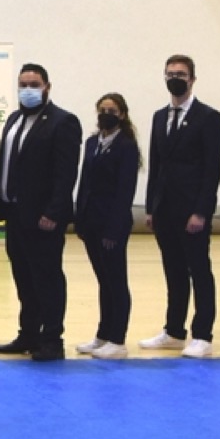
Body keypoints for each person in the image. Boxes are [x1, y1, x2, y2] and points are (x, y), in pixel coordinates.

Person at [0, 64, 81, 362]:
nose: (28, 90)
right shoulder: (14, 119)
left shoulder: (63, 122)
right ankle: (28, 334)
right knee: (23, 277)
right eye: (23, 84)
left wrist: (54, 211)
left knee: (47, 278)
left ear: (47, 87)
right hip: (15, 214)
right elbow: (4, 162)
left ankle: (52, 339)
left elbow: (66, 174)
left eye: (34, 84)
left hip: (43, 218)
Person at [141, 54, 220, 358]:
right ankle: (174, 330)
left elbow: (212, 169)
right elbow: (156, 164)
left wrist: (201, 211)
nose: (175, 78)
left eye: (181, 74)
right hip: (165, 208)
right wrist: (151, 206)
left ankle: (203, 334)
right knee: (173, 271)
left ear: (192, 79)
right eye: (170, 74)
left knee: (199, 270)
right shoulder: (159, 117)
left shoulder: (208, 117)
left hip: (192, 210)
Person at [73, 93, 140, 361]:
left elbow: (125, 190)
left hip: (113, 224)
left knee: (116, 281)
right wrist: (79, 217)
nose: (106, 114)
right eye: (102, 110)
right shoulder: (92, 143)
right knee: (103, 280)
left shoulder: (126, 146)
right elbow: (84, 182)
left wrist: (114, 228)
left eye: (112, 110)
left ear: (122, 114)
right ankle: (103, 334)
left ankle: (117, 339)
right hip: (91, 221)